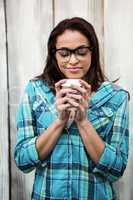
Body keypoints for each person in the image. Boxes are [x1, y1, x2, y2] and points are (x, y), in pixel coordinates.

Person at [14, 17, 129, 200]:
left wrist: (83, 121)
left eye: (81, 51)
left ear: (93, 53)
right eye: (64, 53)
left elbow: (116, 169)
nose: (73, 60)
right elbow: (23, 160)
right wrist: (60, 121)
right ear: (54, 55)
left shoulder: (116, 97)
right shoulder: (35, 91)